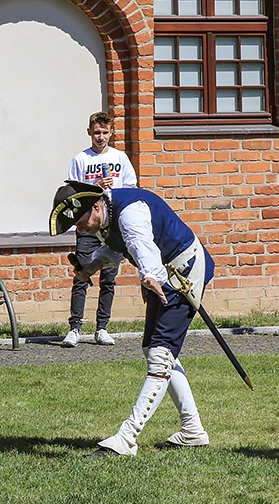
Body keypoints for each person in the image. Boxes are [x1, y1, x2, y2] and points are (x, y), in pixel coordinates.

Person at [49, 180, 213, 457]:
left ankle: (126, 438)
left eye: (80, 222)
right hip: (165, 277)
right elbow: (117, 248)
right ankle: (192, 431)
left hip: (182, 274)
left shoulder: (129, 212)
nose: (80, 228)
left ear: (97, 206)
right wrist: (92, 266)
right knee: (155, 349)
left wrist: (150, 275)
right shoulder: (108, 217)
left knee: (161, 354)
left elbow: (140, 244)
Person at [61, 111, 138, 348]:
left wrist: (114, 189)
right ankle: (75, 328)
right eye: (96, 133)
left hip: (112, 225)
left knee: (109, 277)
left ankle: (102, 327)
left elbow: (132, 187)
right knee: (82, 273)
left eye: (105, 133)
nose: (101, 137)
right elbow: (73, 194)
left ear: (111, 133)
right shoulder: (81, 160)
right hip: (88, 225)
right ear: (89, 133)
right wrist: (94, 187)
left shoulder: (120, 158)